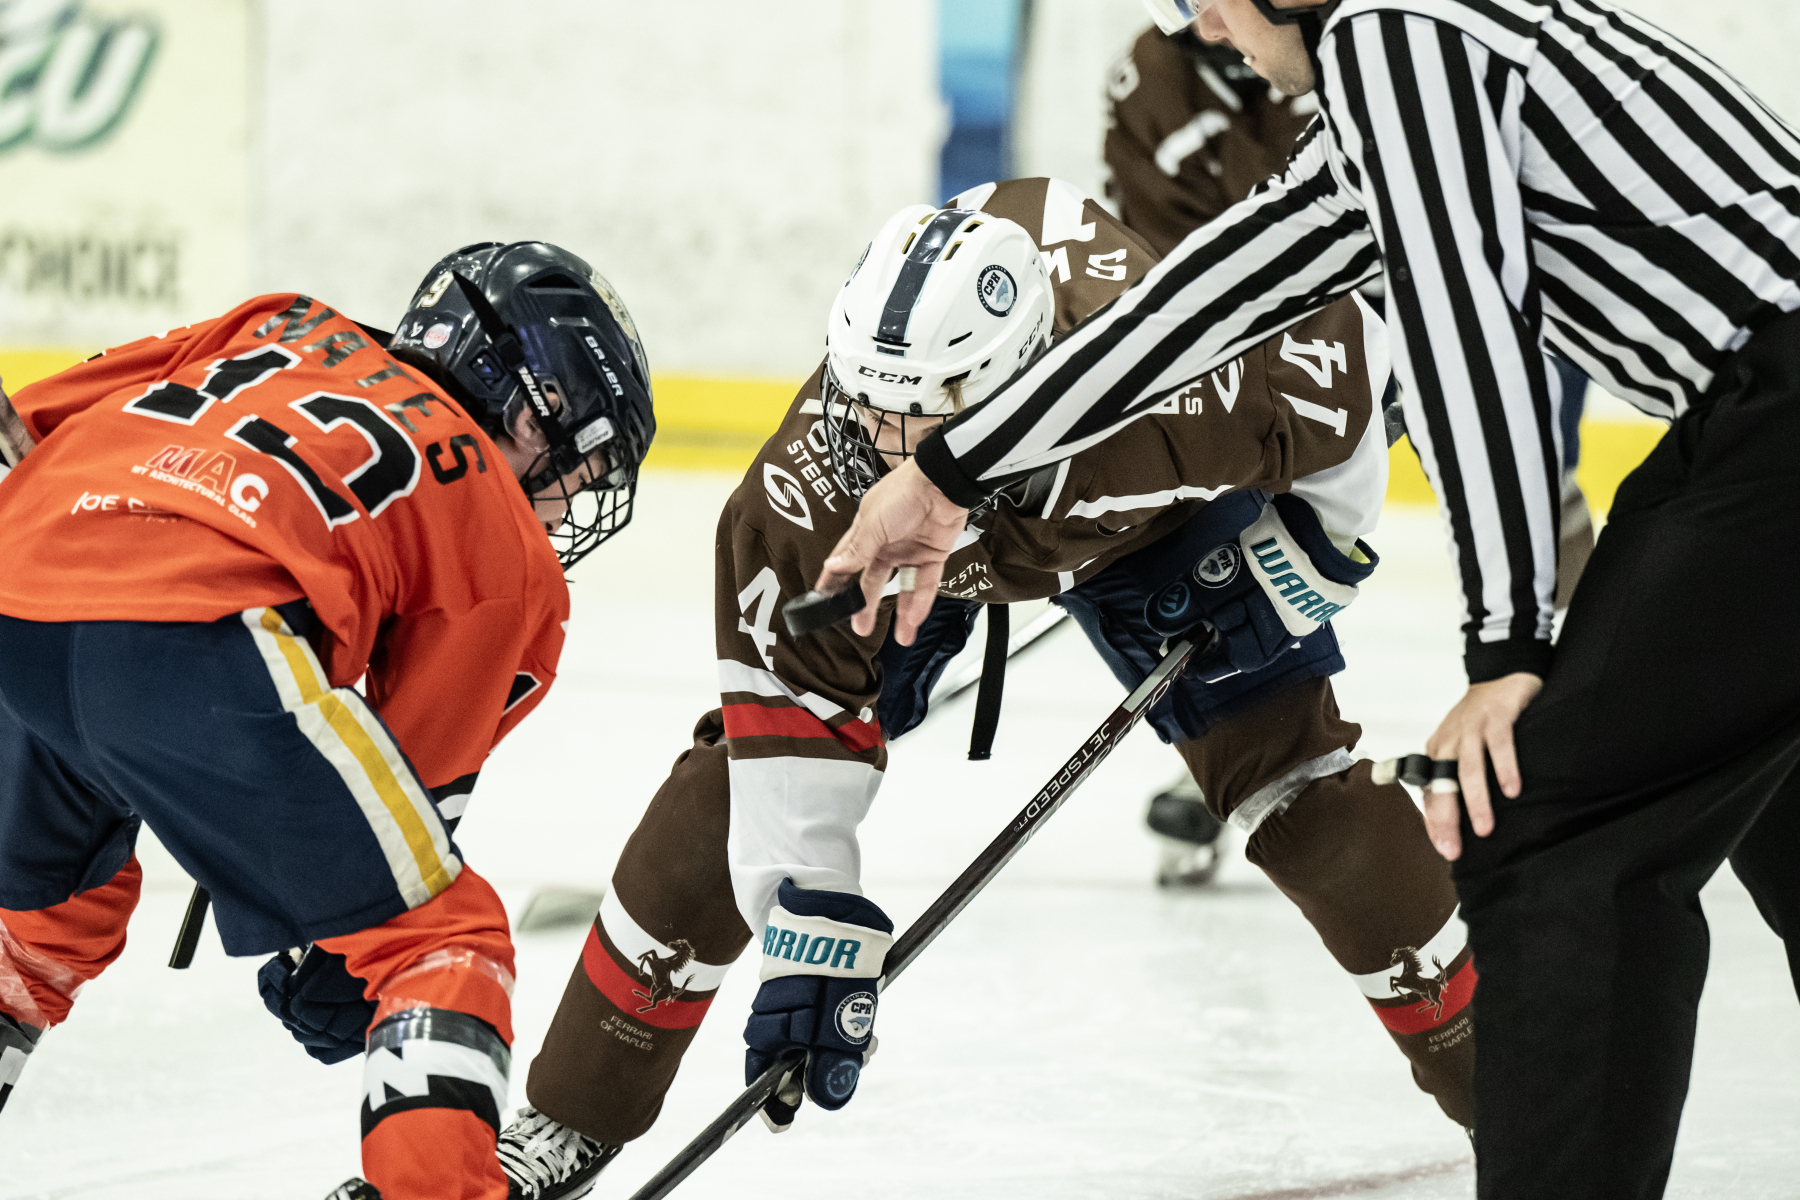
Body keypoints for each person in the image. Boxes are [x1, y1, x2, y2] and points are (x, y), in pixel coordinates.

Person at [819, 1, 1800, 1194]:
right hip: (1747, 418)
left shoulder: (1397, 36)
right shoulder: (1394, 83)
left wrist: (1507, 645)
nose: (1204, 24)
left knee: (1558, 840)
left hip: (1773, 420)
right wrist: (948, 474)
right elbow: (1187, 313)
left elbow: (1465, 327)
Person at [491, 178, 1478, 1200]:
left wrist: (1308, 551)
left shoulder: (1182, 388)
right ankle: (569, 1115)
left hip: (1147, 526)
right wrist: (807, 927)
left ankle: (1518, 1086)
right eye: (866, 403)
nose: (881, 444)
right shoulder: (810, 488)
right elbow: (791, 720)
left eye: (920, 419)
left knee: (1305, 799)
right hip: (924, 548)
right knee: (736, 780)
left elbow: (1353, 377)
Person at [0, 241, 655, 1200]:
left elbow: (22, 430)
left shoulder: (280, 322)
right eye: (579, 464)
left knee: (40, 920)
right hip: (198, 637)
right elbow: (410, 787)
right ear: (531, 408)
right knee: (441, 943)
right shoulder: (505, 541)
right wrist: (337, 943)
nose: (566, 506)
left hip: (20, 585)